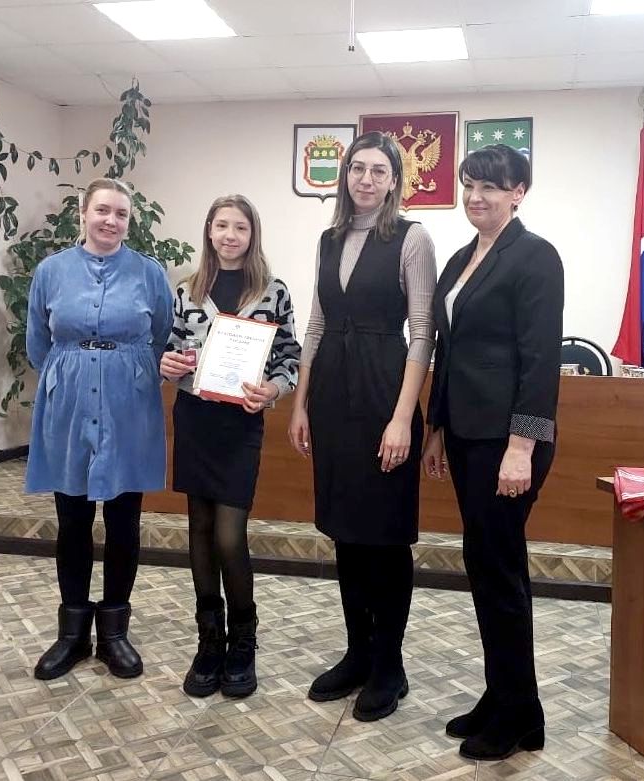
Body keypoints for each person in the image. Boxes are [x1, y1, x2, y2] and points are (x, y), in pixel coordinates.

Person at [288, 131, 436, 721]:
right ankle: (357, 653)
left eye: (378, 170)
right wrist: (300, 404)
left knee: (385, 537)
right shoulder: (328, 239)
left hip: (383, 394)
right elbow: (316, 325)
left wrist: (402, 419)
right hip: (332, 396)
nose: (366, 179)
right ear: (344, 175)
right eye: (357, 168)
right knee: (346, 534)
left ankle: (389, 664)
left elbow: (422, 332)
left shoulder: (411, 238)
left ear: (394, 180)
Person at [422, 145, 564, 760]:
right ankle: (507, 698)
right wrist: (435, 427)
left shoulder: (535, 257)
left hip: (509, 442)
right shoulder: (461, 259)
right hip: (465, 434)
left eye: (491, 186)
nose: (476, 196)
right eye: (469, 184)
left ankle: (516, 715)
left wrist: (520, 446)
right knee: (485, 566)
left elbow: (539, 360)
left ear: (518, 193)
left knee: (499, 571)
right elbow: (446, 351)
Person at [27, 177, 173, 681]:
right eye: (102, 210)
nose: (111, 221)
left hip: (130, 405)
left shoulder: (149, 273)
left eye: (121, 214)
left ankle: (114, 633)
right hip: (67, 404)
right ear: (83, 213)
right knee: (71, 518)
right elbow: (37, 342)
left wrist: (128, 372)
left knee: (124, 519)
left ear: (130, 222)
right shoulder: (50, 271)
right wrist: (68, 374)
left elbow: (163, 336)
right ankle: (71, 634)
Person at [160, 195, 299, 698]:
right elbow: (170, 350)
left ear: (252, 234)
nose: (230, 235)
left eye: (240, 227)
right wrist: (167, 364)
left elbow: (289, 358)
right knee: (199, 528)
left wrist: (274, 390)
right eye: (221, 225)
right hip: (196, 419)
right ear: (209, 231)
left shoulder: (273, 291)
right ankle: (209, 641)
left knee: (228, 535)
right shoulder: (187, 290)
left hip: (241, 425)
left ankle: (243, 638)